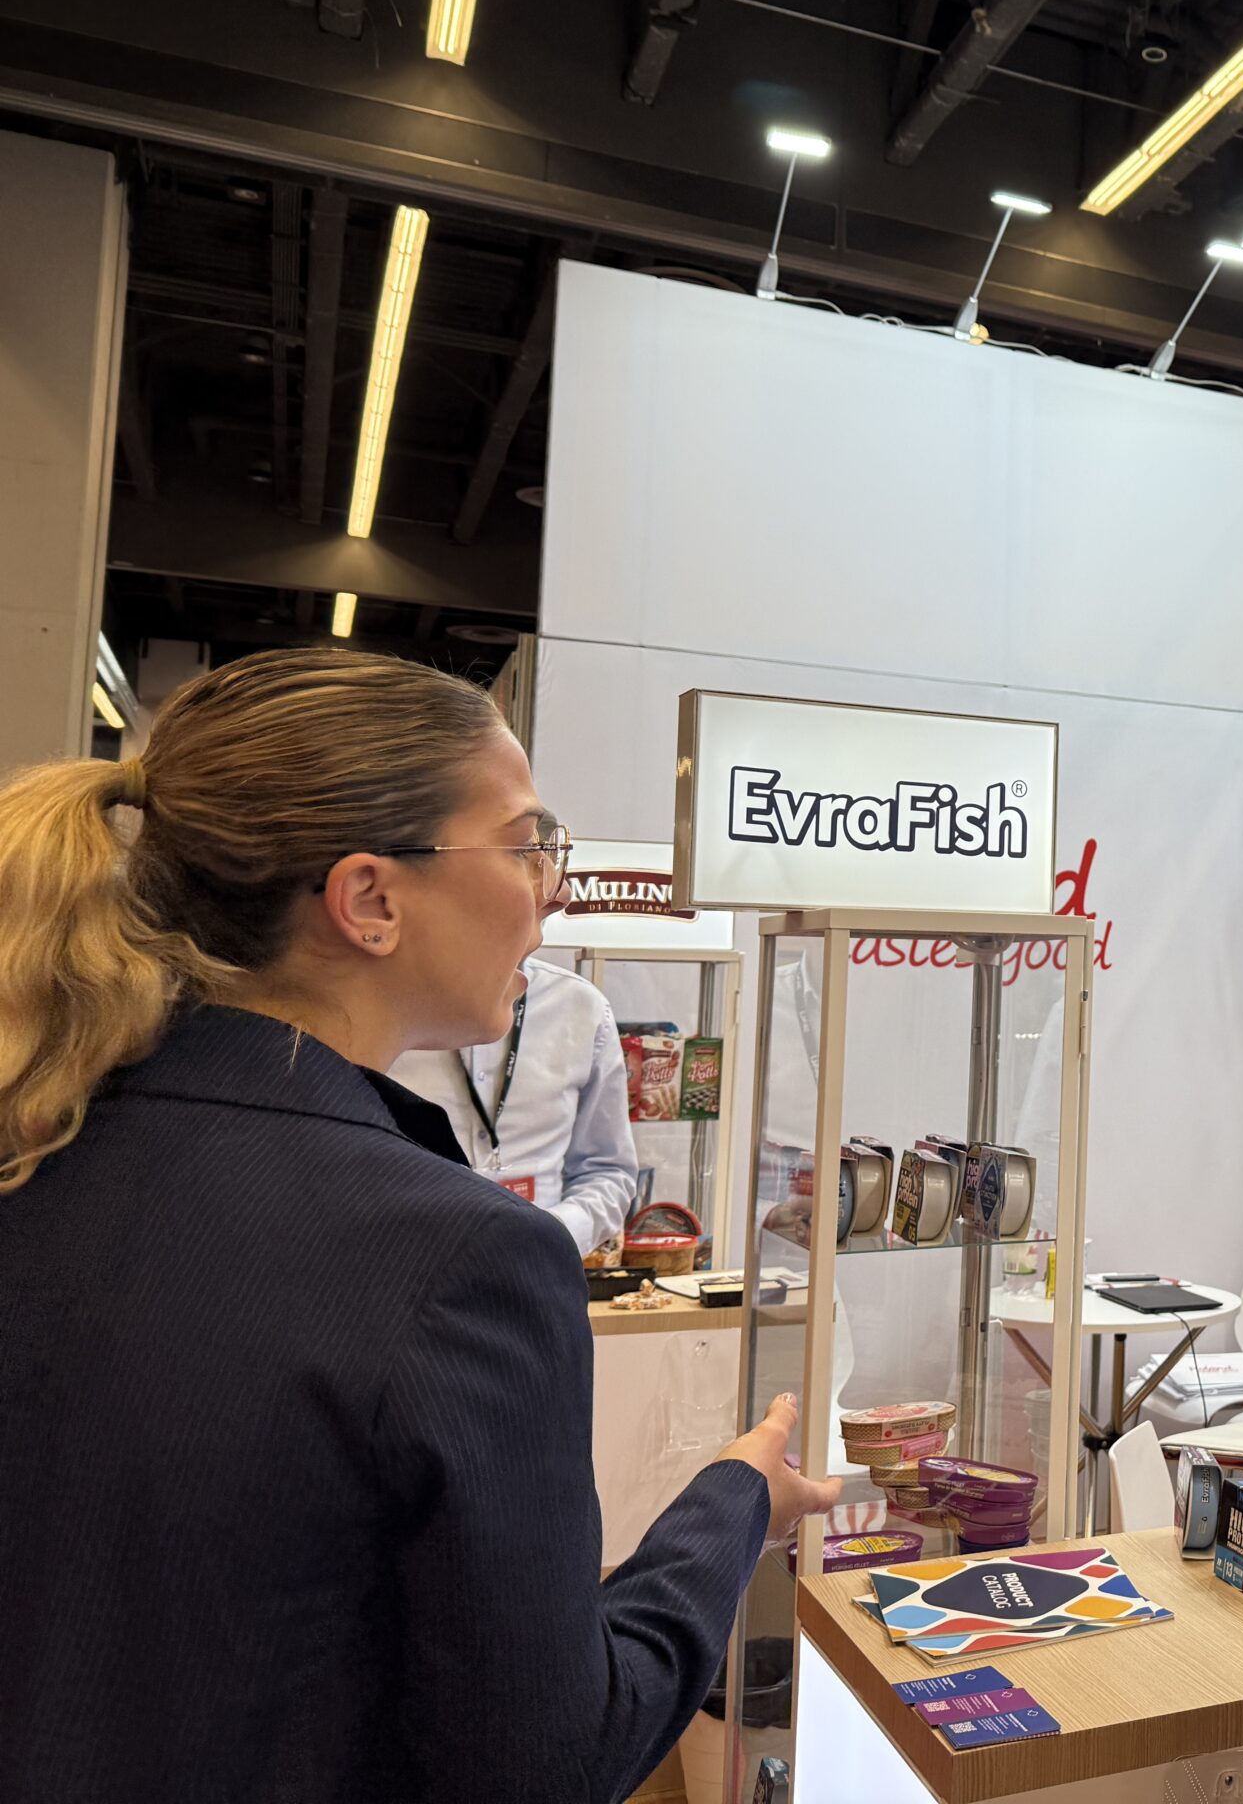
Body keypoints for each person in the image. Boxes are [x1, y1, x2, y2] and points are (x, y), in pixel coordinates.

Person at [0, 649, 840, 1804]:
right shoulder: (460, 1262)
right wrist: (733, 1503)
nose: (552, 888)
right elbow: (550, 1758)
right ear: (370, 901)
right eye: (526, 843)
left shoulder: (41, 1147)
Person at [389, 957, 640, 1257]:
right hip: (409, 1262)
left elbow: (607, 1169)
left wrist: (551, 1235)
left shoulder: (581, 1006)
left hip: (544, 1268)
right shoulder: (383, 999)